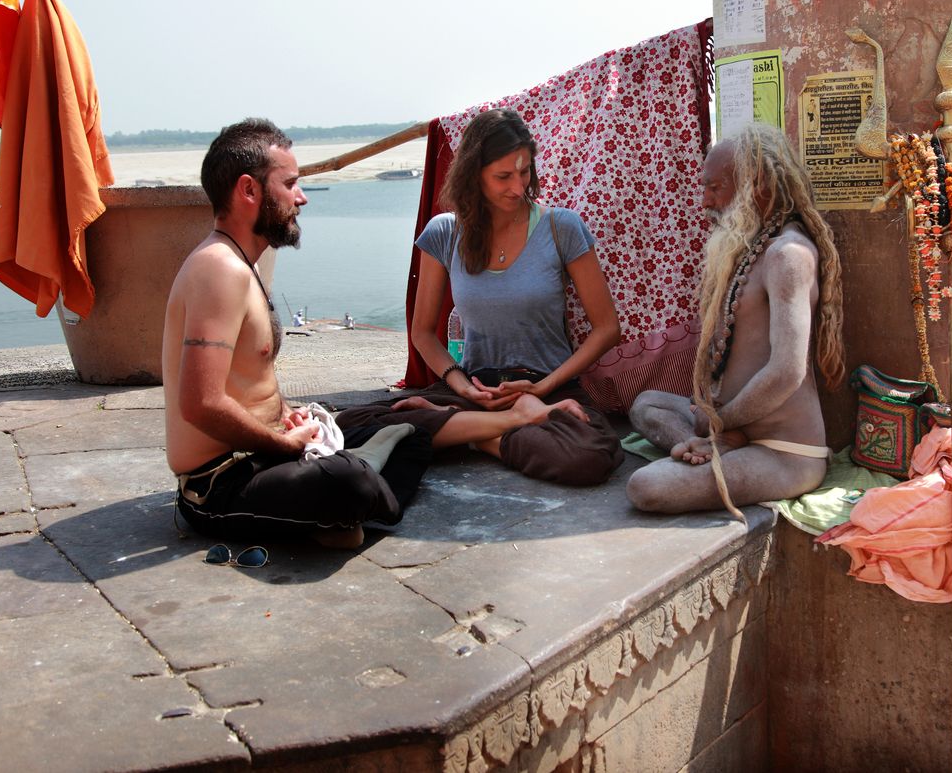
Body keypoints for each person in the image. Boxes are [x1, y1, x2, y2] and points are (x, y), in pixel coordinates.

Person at [162, 118, 432, 547]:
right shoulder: (218, 269)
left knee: (414, 433)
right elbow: (201, 404)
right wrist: (285, 446)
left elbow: (247, 385)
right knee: (348, 481)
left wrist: (292, 415)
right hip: (221, 485)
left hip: (269, 455)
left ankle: (341, 511)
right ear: (249, 190)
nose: (301, 197)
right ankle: (350, 498)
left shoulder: (242, 264)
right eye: (290, 184)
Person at [336, 108, 624, 486]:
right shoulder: (445, 232)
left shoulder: (561, 227)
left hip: (547, 388)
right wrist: (462, 387)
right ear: (474, 175)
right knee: (350, 424)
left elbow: (607, 329)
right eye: (503, 176)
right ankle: (508, 424)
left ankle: (468, 435)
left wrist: (541, 389)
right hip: (472, 390)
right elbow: (423, 333)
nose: (518, 187)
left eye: (525, 173)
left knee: (590, 456)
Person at [626, 124, 846, 514]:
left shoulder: (787, 255)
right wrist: (716, 426)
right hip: (729, 427)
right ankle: (704, 446)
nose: (705, 201)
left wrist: (721, 423)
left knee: (647, 486)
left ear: (757, 184)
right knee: (646, 404)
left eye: (715, 187)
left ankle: (708, 445)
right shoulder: (751, 247)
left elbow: (785, 373)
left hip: (783, 451)